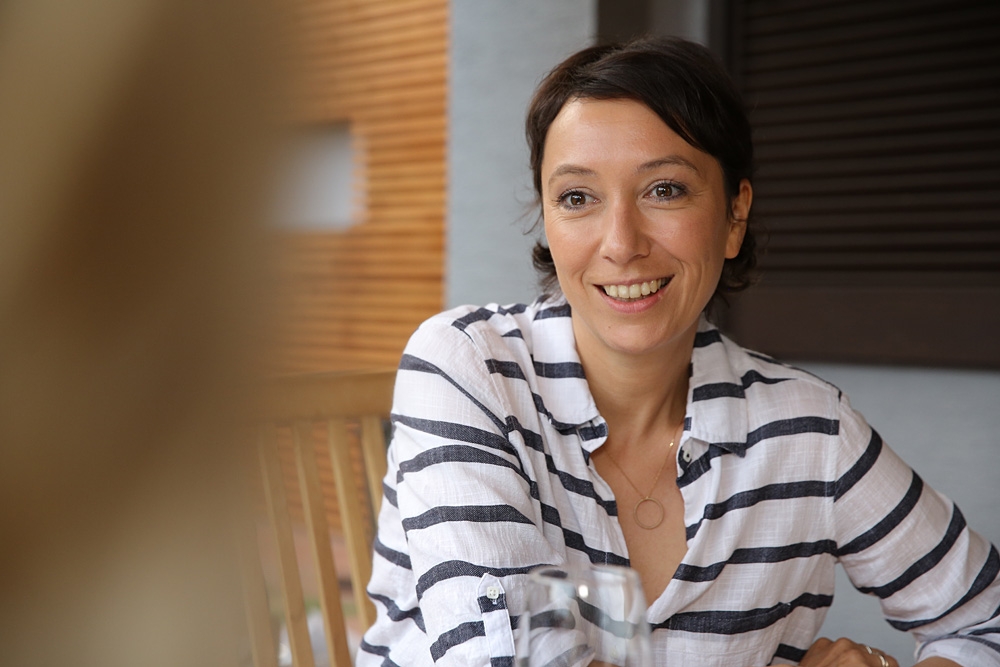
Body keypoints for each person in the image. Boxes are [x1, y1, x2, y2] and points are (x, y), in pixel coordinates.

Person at [358, 37, 1000, 667]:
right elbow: (506, 660)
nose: (621, 243)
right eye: (578, 197)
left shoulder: (807, 429)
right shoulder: (468, 368)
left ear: (734, 216)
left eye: (664, 189)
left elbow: (985, 618)